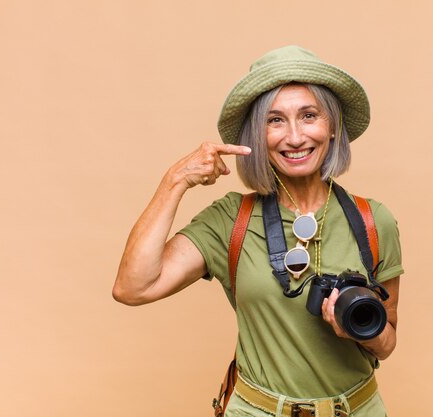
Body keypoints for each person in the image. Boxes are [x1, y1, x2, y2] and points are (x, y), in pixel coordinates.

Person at [113, 45, 403, 417]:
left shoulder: (373, 221)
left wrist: (362, 331)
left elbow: (388, 341)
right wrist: (176, 180)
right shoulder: (229, 220)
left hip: (358, 409)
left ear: (332, 128)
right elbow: (132, 287)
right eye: (275, 120)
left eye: (309, 116)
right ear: (257, 135)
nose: (295, 137)